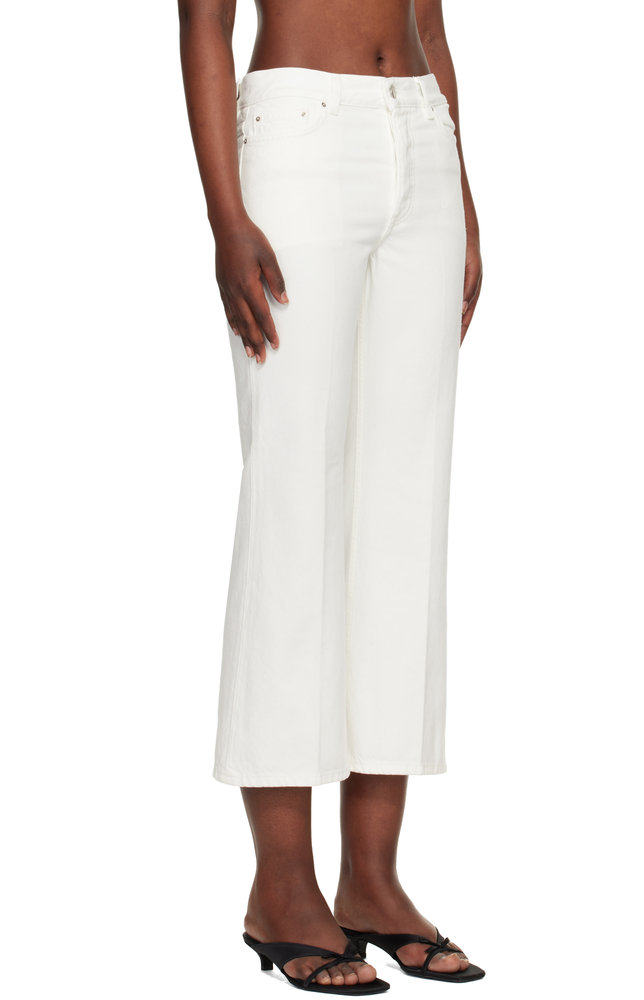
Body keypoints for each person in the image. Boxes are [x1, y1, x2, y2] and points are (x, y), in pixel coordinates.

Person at [180, 0, 483, 990]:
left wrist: (460, 192)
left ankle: (372, 879)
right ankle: (280, 885)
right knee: (292, 510)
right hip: (299, 139)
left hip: (422, 138)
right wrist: (226, 217)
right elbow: (203, 22)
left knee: (402, 519)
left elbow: (429, 17)